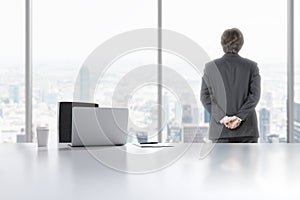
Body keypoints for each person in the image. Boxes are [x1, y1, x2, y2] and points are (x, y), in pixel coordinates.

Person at [200, 28, 261, 143]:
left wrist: (223, 118)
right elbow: (255, 96)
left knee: (219, 161)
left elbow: (205, 97)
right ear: (241, 44)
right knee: (250, 162)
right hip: (247, 131)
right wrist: (239, 117)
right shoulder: (252, 67)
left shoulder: (210, 67)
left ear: (222, 44)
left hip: (220, 131)